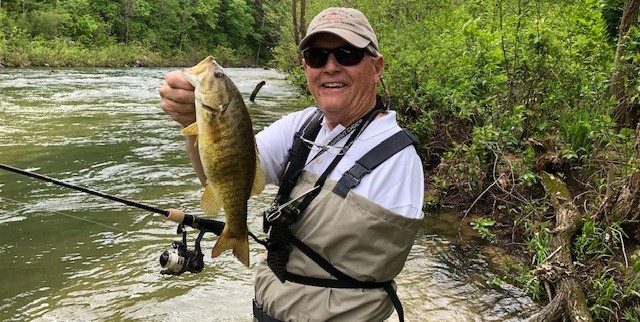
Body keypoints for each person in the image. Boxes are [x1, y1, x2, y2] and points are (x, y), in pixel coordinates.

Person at [159, 7, 424, 321]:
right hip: (268, 309)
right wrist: (196, 124)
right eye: (316, 56)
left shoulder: (397, 158)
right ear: (305, 67)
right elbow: (226, 171)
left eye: (347, 54)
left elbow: (366, 267)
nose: (330, 67)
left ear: (376, 67)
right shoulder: (302, 126)